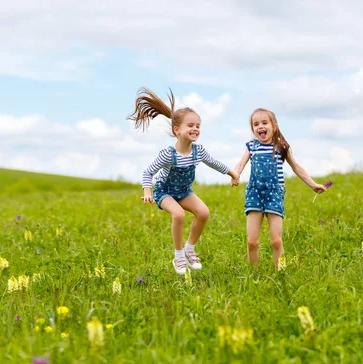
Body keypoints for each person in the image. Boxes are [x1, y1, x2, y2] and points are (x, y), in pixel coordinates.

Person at [129, 87, 239, 275]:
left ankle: (189, 250)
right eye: (190, 125)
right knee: (178, 215)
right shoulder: (168, 155)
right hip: (164, 192)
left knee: (203, 213)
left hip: (184, 191)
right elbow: (148, 173)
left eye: (198, 125)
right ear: (177, 130)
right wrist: (147, 192)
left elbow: (214, 163)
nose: (195, 128)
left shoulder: (198, 151)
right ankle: (178, 256)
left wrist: (232, 173)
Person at [233, 108, 326, 268]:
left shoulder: (281, 146)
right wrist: (235, 174)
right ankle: (253, 274)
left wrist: (313, 184)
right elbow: (240, 163)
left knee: (276, 240)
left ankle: (281, 272)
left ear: (273, 126)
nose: (260, 127)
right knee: (252, 241)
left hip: (274, 195)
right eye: (256, 124)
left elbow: (296, 167)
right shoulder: (251, 147)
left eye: (264, 123)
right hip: (255, 193)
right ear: (253, 129)